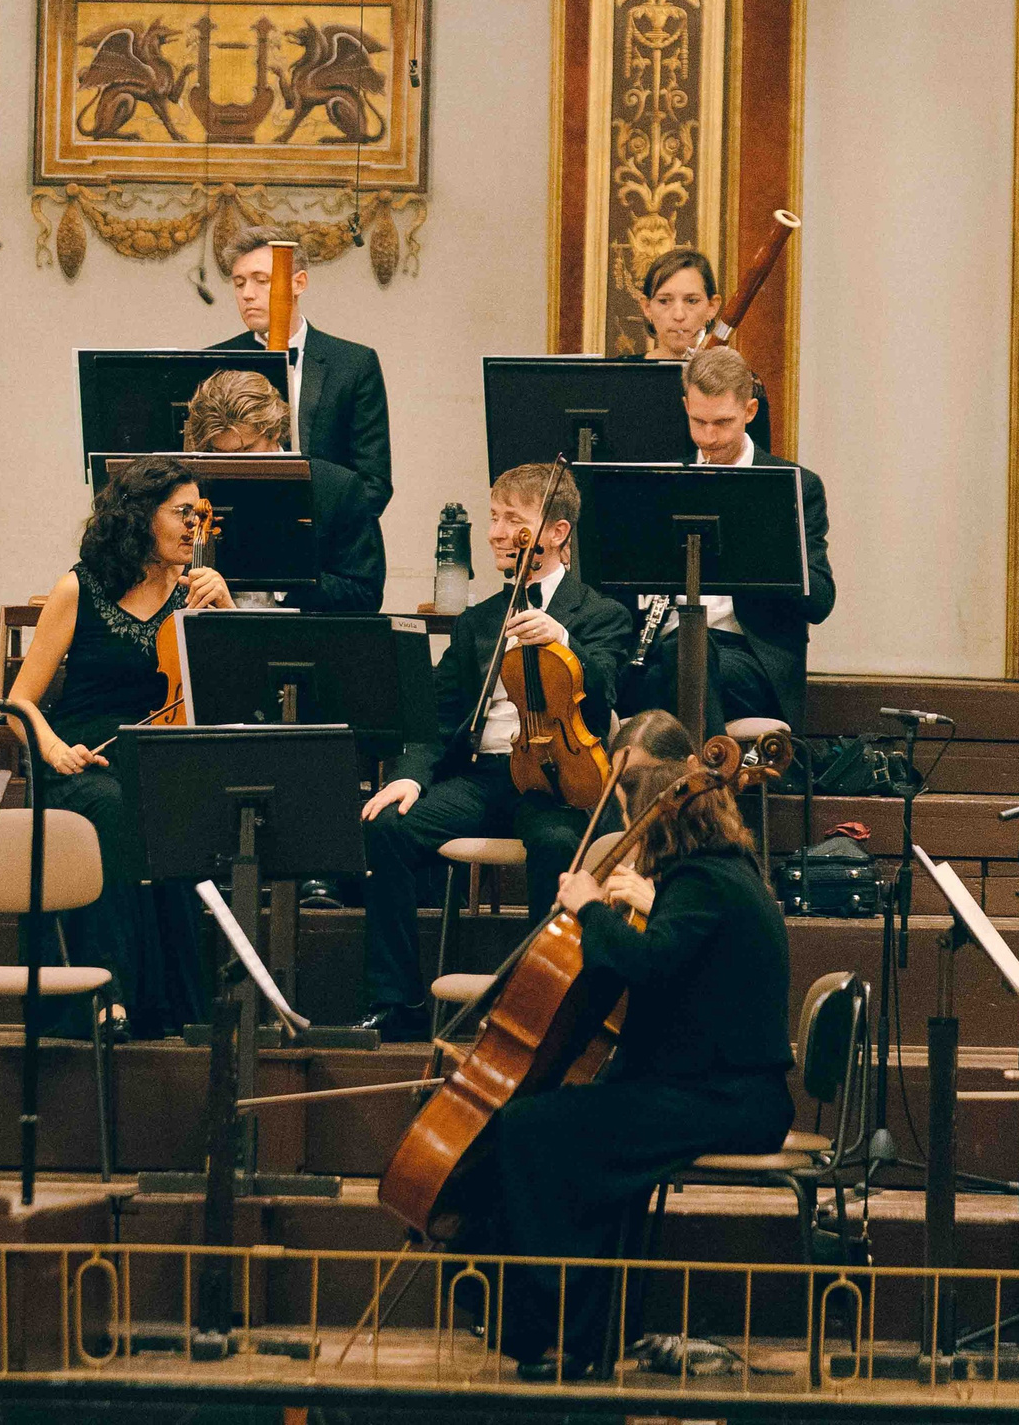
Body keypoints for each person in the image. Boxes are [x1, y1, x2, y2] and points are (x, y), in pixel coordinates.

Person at [486, 709, 795, 1378]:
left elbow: (649, 966)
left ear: (655, 806)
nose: (625, 823)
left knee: (532, 1129)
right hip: (715, 1086)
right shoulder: (715, 870)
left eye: (627, 804)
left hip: (726, 1097)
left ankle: (561, 1334)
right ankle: (588, 1335)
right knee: (579, 1130)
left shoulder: (704, 881)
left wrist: (589, 905)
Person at [356, 461, 634, 1042]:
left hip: (555, 780)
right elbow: (434, 720)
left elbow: (606, 690)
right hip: (482, 777)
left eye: (514, 520)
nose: (497, 533)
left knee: (559, 843)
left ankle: (540, 1009)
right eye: (494, 519)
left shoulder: (600, 614)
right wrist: (411, 776)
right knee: (386, 824)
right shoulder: (479, 621)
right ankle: (397, 1004)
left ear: (557, 532)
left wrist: (564, 640)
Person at [8, 456, 233, 1041]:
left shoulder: (197, 595)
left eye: (200, 514)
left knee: (166, 803)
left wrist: (227, 613)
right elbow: (20, 703)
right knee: (110, 802)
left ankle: (178, 1006)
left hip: (154, 759)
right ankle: (106, 992)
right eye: (183, 512)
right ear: (139, 515)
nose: (194, 526)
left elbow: (232, 696)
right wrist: (54, 750)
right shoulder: (78, 588)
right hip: (78, 759)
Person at [623, 346, 835, 736]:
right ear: (686, 405)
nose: (708, 437)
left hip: (748, 660)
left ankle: (693, 788)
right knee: (663, 662)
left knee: (690, 656)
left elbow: (820, 600)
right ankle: (709, 782)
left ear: (750, 412)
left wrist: (763, 546)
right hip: (663, 651)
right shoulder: (663, 482)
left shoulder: (793, 486)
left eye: (722, 422)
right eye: (698, 421)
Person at [206, 225, 392, 515]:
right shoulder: (214, 362)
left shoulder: (354, 363)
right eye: (239, 283)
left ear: (299, 283)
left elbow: (373, 481)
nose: (247, 294)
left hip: (329, 543)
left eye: (261, 280)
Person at [179, 368, 385, 613]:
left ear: (274, 430)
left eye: (245, 451)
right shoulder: (193, 489)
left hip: (303, 643)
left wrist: (288, 578)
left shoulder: (338, 487)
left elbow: (366, 595)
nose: (232, 463)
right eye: (219, 453)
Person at [635, 247, 774, 452]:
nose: (679, 314)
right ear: (647, 307)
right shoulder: (619, 375)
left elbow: (757, 465)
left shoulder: (744, 383)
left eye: (692, 301)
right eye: (664, 301)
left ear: (712, 306)